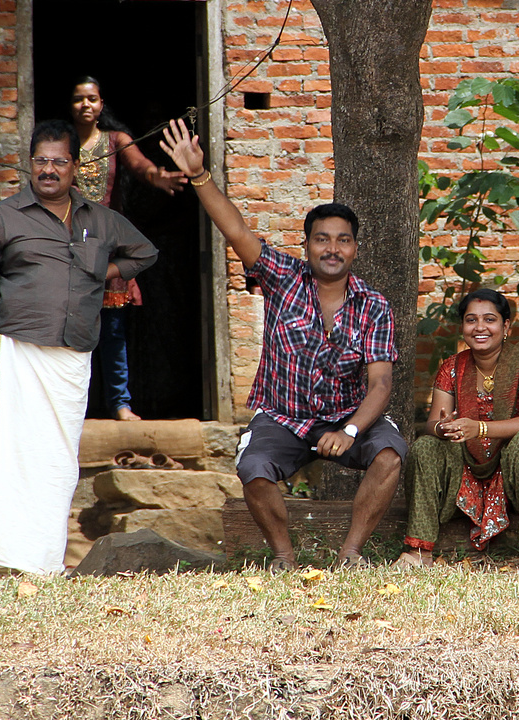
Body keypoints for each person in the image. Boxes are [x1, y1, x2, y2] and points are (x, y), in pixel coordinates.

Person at [158, 118, 404, 570]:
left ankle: (351, 555)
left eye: (343, 241)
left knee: (389, 455)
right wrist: (198, 175)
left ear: (355, 248)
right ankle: (283, 559)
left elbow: (381, 385)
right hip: (284, 417)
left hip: (347, 419)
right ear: (307, 245)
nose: (333, 249)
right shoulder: (283, 278)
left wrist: (349, 430)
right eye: (322, 239)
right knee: (253, 468)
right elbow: (236, 232)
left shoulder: (374, 305)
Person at [0, 119, 158, 575]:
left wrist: (107, 271)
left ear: (75, 166)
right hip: (18, 351)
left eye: (59, 162)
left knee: (58, 460)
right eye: (41, 161)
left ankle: (43, 560)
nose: (49, 170)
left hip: (72, 356)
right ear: (31, 164)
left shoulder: (101, 220)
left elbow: (145, 252)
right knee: (11, 454)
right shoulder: (3, 217)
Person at [396, 289, 519, 570]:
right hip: (465, 471)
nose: (479, 328)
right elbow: (431, 424)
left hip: (513, 473)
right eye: (471, 320)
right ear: (462, 326)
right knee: (426, 446)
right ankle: (418, 551)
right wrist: (444, 427)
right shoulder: (452, 366)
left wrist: (481, 428)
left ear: (506, 326)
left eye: (489, 319)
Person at [68, 75, 185, 421]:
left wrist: (158, 176)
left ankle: (120, 404)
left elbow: (140, 165)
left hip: (107, 248)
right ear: (71, 105)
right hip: (68, 247)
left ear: (102, 105)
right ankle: (73, 406)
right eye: (79, 99)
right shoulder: (63, 143)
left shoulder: (117, 140)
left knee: (112, 331)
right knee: (71, 332)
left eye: (92, 98)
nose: (85, 105)